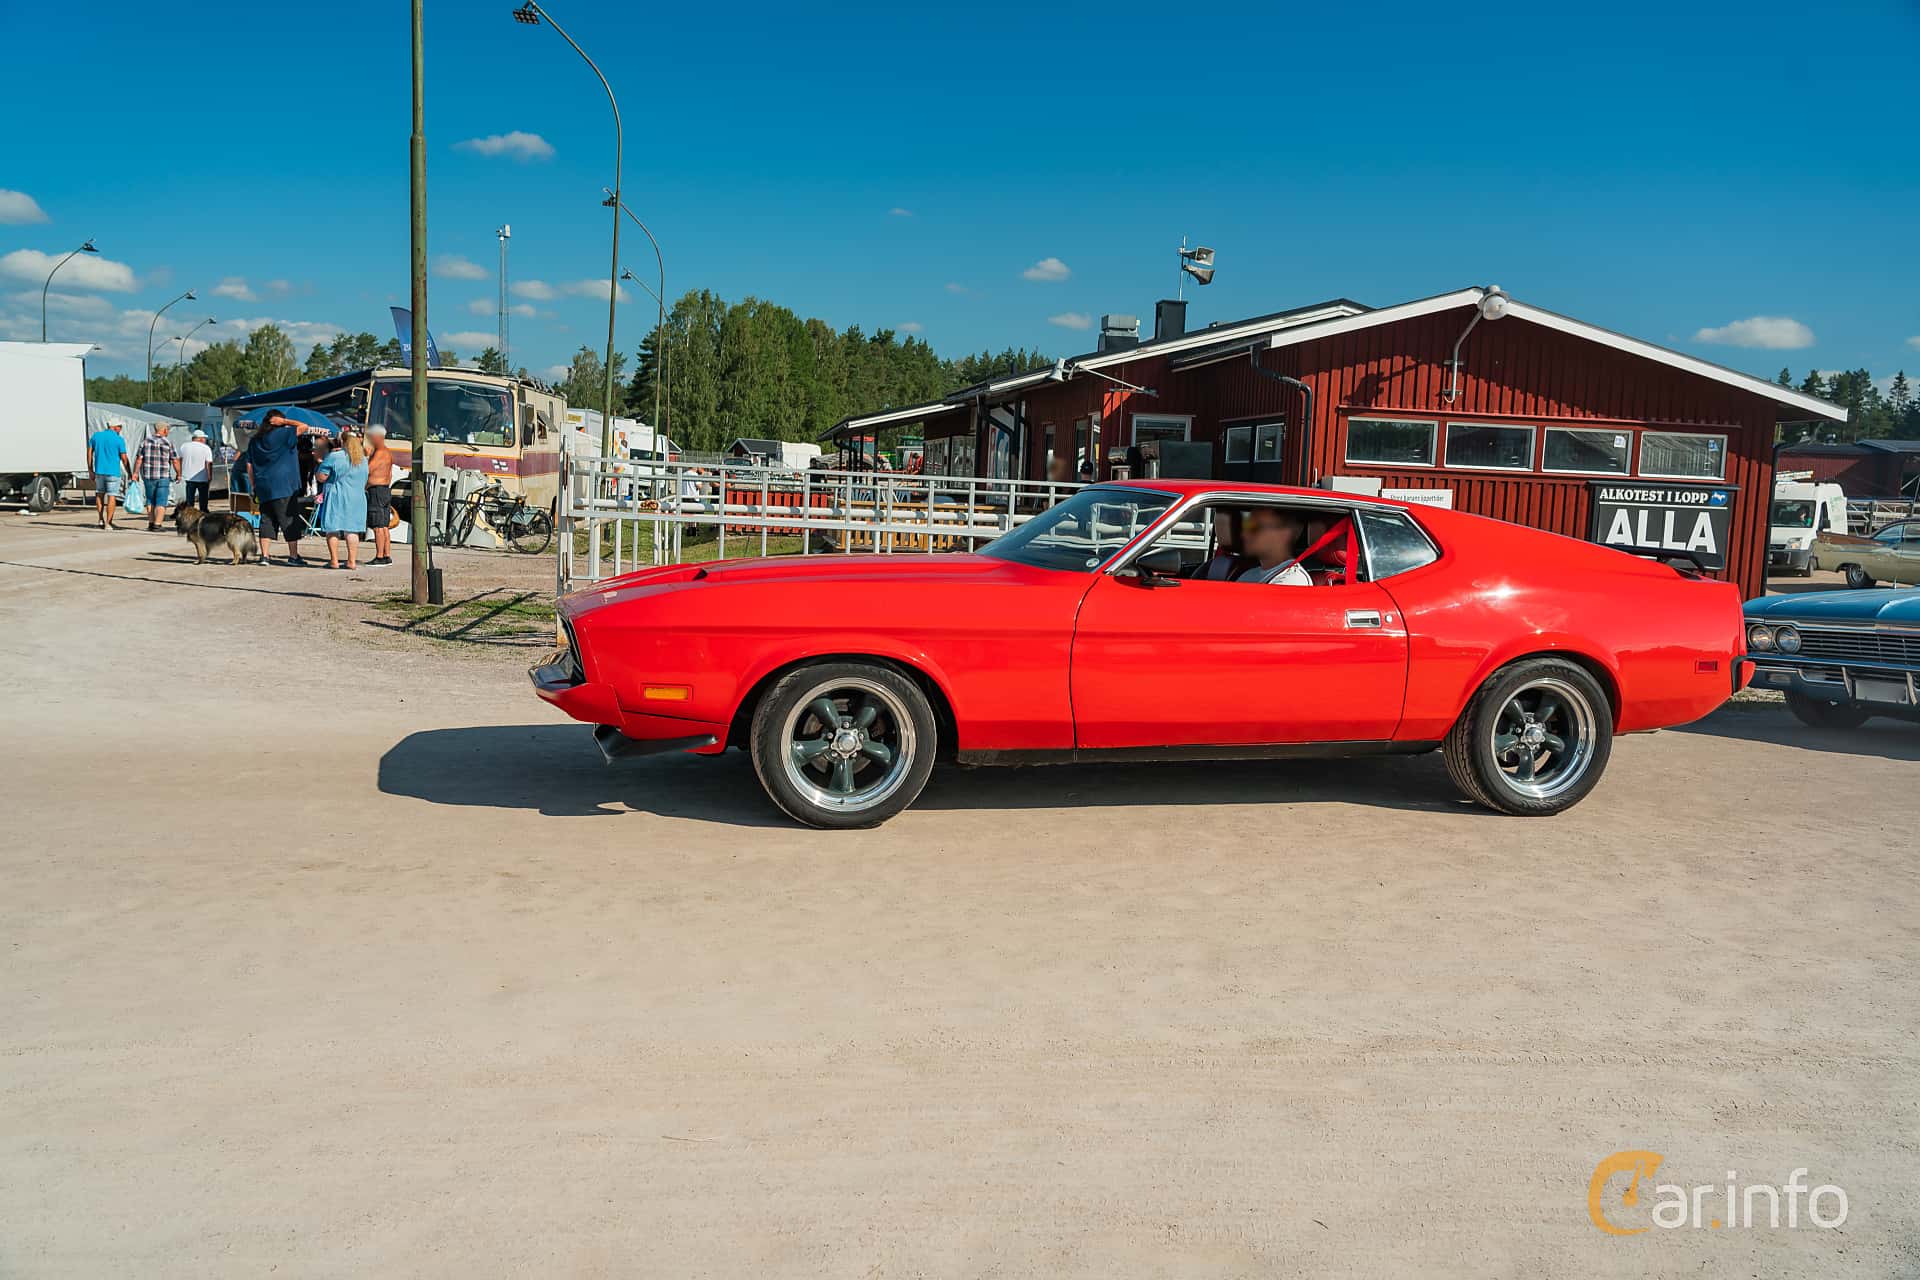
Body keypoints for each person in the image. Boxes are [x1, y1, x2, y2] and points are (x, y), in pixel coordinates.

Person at [242, 409, 306, 566]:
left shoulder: (255, 440)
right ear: (277, 421)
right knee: (288, 520)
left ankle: (265, 556)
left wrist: (253, 484)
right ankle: (293, 556)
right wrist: (285, 422)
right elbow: (304, 427)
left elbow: (249, 465)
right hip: (284, 485)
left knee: (266, 519)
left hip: (263, 485)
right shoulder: (284, 434)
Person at [315, 434, 370, 570]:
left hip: (337, 496)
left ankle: (334, 561)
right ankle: (351, 561)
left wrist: (320, 463)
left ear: (342, 442)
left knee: (332, 529)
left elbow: (321, 477)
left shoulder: (334, 457)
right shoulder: (363, 459)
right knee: (352, 530)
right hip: (357, 498)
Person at [1237, 508, 1313, 586]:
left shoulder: (1292, 580)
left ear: (1284, 534)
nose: (1245, 534)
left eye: (1255, 528)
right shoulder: (1248, 575)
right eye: (1247, 526)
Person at [134, 421, 180, 531]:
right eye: (167, 430)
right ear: (164, 430)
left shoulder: (145, 442)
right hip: (163, 476)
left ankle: (151, 523)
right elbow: (175, 460)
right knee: (161, 500)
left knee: (150, 500)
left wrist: (135, 473)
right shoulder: (168, 443)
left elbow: (139, 459)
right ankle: (157, 524)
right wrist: (179, 474)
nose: (168, 432)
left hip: (148, 476)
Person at [88, 419, 133, 530]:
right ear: (115, 427)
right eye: (120, 427)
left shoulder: (96, 436)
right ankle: (108, 523)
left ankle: (100, 519)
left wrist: (90, 470)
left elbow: (89, 453)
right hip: (113, 472)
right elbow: (124, 458)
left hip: (99, 471)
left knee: (99, 494)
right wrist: (129, 472)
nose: (120, 429)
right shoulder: (119, 439)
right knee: (111, 496)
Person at [363, 424, 395, 566]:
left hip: (377, 490)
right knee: (383, 526)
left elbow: (368, 469)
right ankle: (386, 555)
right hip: (384, 490)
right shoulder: (386, 452)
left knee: (378, 526)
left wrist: (366, 457)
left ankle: (380, 556)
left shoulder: (380, 452)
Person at [178, 429, 215, 513]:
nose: (205, 440)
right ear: (200, 438)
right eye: (204, 438)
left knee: (190, 498)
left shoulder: (184, 446)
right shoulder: (206, 448)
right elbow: (209, 463)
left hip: (188, 477)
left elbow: (180, 460)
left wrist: (179, 473)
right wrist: (209, 476)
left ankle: (189, 513)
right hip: (203, 478)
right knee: (203, 498)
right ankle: (203, 512)